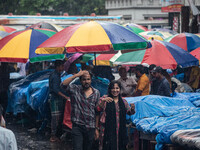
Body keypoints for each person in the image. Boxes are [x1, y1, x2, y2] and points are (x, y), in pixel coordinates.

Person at [62, 70, 100, 150]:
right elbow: (63, 85)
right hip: (77, 126)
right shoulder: (75, 89)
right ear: (80, 81)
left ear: (91, 80)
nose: (86, 82)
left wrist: (96, 128)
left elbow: (97, 111)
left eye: (88, 79)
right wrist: (76, 75)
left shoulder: (96, 93)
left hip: (90, 127)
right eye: (84, 79)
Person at [96, 80, 135, 150]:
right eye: (113, 88)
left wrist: (132, 109)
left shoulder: (123, 101)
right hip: (106, 130)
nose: (115, 90)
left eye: (117, 88)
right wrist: (104, 101)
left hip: (120, 129)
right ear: (110, 89)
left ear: (120, 89)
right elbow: (98, 109)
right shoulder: (105, 99)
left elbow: (129, 112)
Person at [49, 60, 69, 142]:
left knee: (57, 118)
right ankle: (53, 136)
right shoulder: (55, 76)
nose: (63, 67)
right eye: (62, 66)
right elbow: (56, 89)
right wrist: (65, 96)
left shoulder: (56, 75)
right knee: (56, 119)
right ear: (58, 66)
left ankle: (55, 135)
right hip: (55, 99)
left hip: (56, 99)